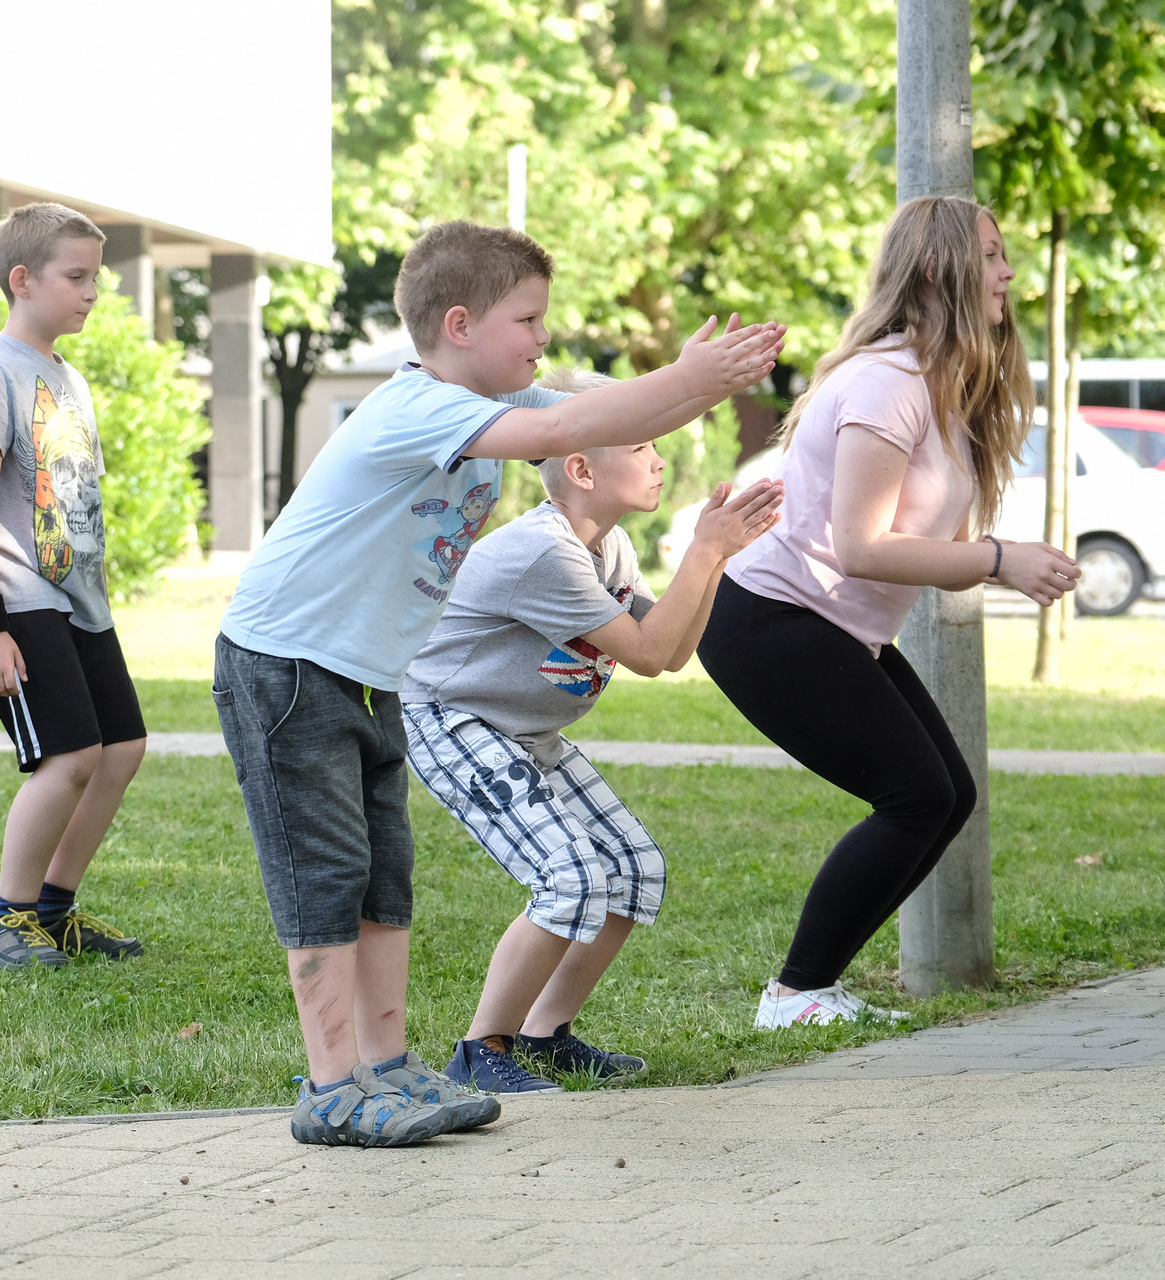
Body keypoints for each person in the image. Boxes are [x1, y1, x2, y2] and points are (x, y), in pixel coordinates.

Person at [213, 220, 785, 1148]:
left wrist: (698, 384)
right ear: (460, 324)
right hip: (286, 663)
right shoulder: (418, 407)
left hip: (368, 674)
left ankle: (390, 1066)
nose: (543, 338)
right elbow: (565, 430)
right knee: (325, 877)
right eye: (529, 320)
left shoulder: (490, 401)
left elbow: (598, 421)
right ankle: (332, 1088)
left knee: (382, 877)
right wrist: (689, 377)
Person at [697, 195, 1076, 1029]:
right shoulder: (885, 383)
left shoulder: (939, 385)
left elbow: (916, 538)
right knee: (918, 794)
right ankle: (796, 994)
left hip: (827, 623)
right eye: (990, 255)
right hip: (769, 618)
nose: (1008, 272)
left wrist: (1008, 558)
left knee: (947, 795)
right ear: (938, 268)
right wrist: (1001, 559)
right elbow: (862, 546)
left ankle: (811, 989)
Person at [402, 366, 784, 1094]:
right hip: (453, 719)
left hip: (525, 730)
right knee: (569, 875)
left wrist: (717, 558)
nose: (659, 460)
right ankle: (481, 1049)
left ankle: (544, 1034)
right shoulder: (544, 552)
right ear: (581, 469)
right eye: (641, 446)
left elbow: (672, 651)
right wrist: (703, 552)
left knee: (633, 868)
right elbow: (645, 653)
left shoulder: (608, 546)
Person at [0, 202, 148, 969]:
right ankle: (8, 918)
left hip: (76, 600)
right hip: (15, 598)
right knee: (68, 755)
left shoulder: (67, 378)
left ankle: (54, 909)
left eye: (96, 276)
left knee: (121, 748)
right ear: (22, 279)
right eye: (76, 276)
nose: (92, 291)